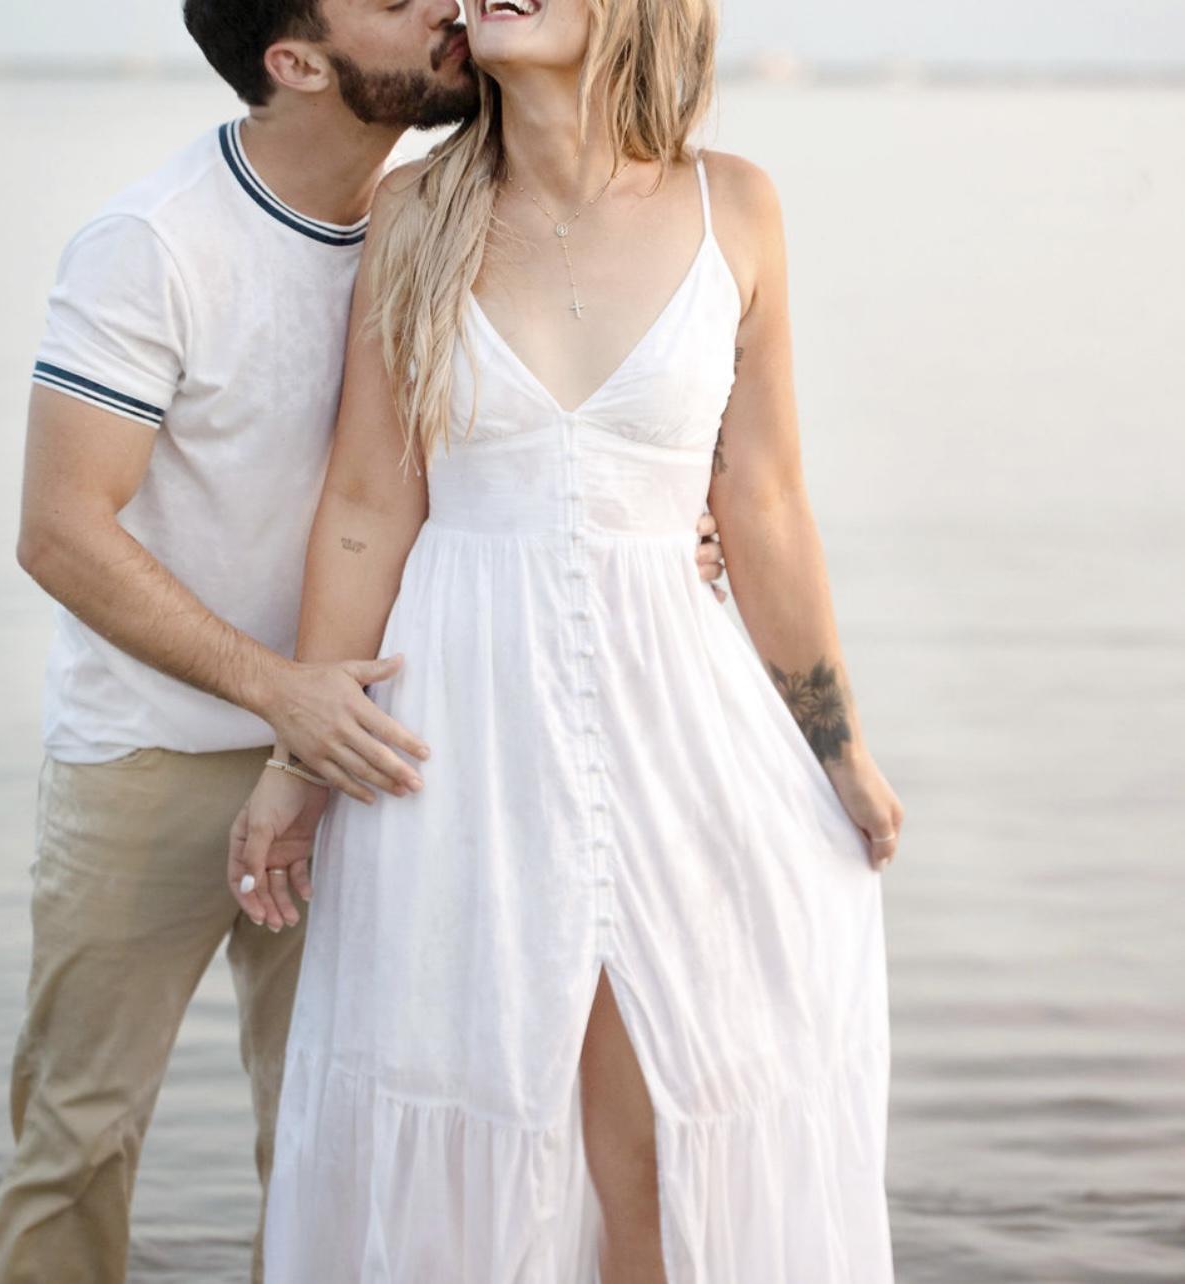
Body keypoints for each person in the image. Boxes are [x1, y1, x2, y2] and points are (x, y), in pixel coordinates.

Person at [0, 0, 729, 1279]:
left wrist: (671, 517)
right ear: (298, 62)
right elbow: (59, 532)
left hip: (367, 760)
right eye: (388, 3)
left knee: (336, 1135)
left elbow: (529, 429)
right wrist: (283, 694)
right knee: (79, 1136)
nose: (443, 5)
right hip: (152, 758)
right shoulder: (153, 245)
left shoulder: (439, 214)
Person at [231, 0, 905, 1279]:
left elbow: (763, 503)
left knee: (656, 1126)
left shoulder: (734, 206)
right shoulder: (414, 214)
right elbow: (368, 506)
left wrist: (840, 751)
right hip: (459, 729)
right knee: (488, 1110)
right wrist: (299, 760)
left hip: (682, 725)